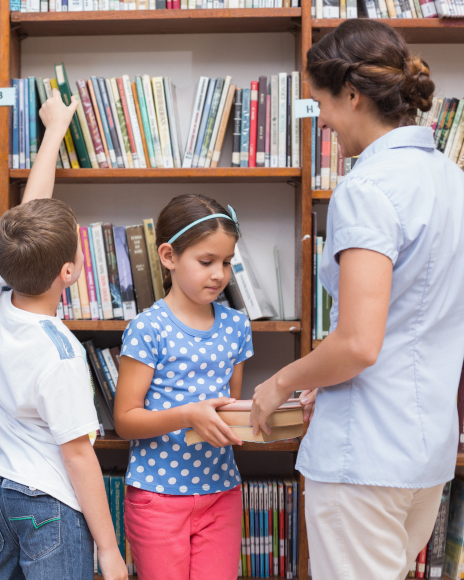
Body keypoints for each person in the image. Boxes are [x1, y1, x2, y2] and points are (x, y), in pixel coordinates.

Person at [250, 19, 464, 580]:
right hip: (426, 454)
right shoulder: (451, 180)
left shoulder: (367, 188)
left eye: (321, 103)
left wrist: (279, 383)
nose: (320, 121)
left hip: (364, 457)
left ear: (351, 93)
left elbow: (359, 343)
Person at [0, 89, 127, 580]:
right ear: (69, 272)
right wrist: (108, 549)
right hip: (49, 503)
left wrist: (55, 131)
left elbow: (31, 207)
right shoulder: (61, 352)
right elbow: (78, 454)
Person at [113, 194, 251, 580]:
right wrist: (189, 415)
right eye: (206, 262)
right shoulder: (148, 328)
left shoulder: (237, 327)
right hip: (157, 496)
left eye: (226, 262)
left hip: (221, 492)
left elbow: (230, 409)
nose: (219, 274)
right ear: (168, 256)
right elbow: (125, 419)